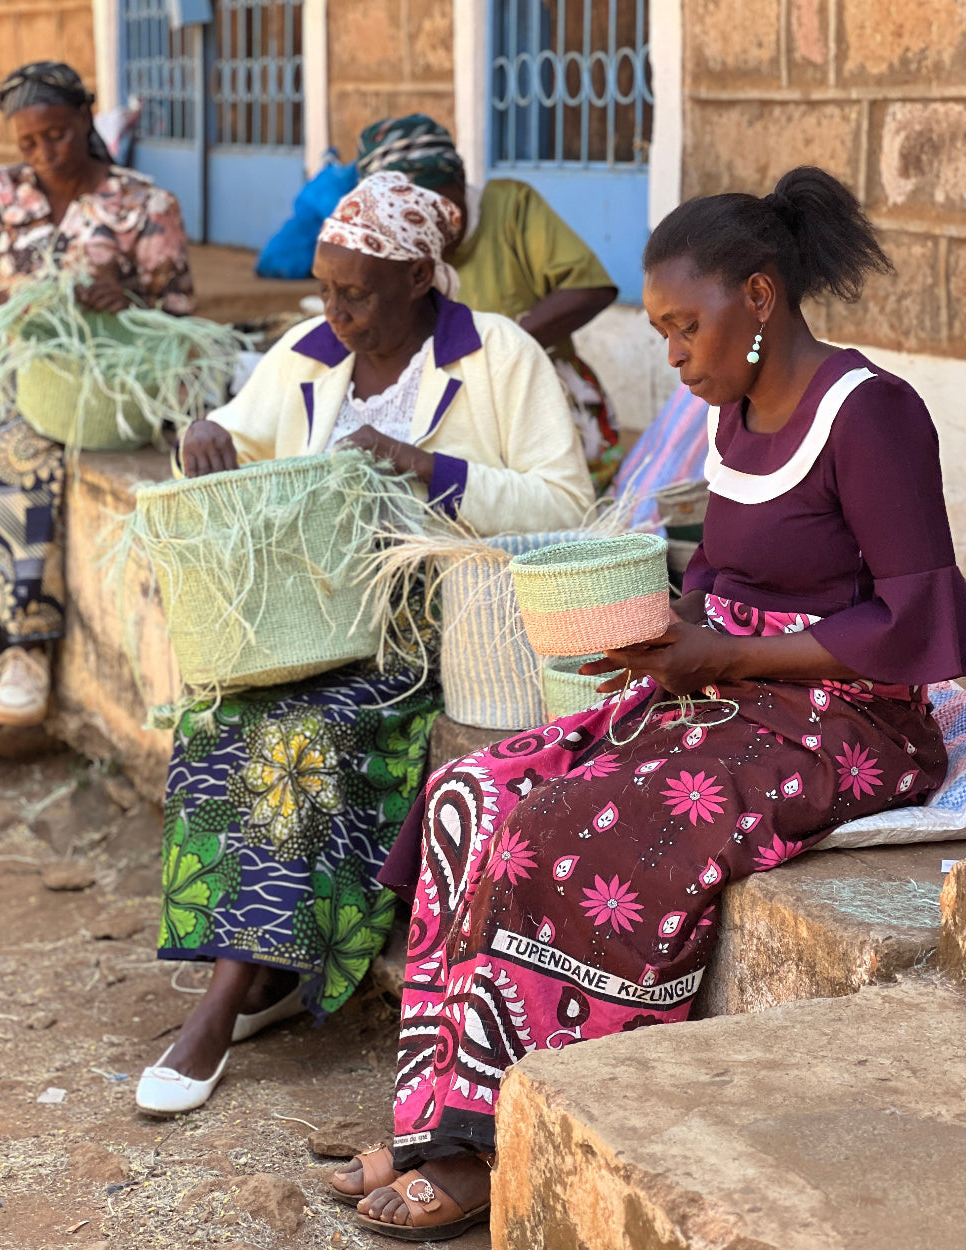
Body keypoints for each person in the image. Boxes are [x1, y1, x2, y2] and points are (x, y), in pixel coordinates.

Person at [330, 166, 966, 1240]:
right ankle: (442, 1107)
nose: (670, 352)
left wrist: (727, 653)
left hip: (847, 719)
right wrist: (663, 639)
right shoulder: (733, 415)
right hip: (733, 690)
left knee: (563, 824)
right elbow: (721, 569)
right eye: (661, 329)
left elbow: (918, 619)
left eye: (685, 326)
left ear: (758, 298)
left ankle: (495, 1134)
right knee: (473, 788)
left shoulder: (870, 413)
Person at [134, 170, 594, 1116]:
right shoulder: (307, 353)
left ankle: (222, 1003)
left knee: (306, 737)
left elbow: (568, 505)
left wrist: (438, 470)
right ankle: (262, 969)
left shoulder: (499, 354)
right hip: (312, 628)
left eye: (357, 293)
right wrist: (204, 436)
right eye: (327, 288)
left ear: (423, 277)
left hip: (437, 636)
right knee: (221, 716)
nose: (335, 311)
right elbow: (238, 444)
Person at [0, 61, 193, 732]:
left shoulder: (146, 205)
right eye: (28, 142)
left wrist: (123, 305)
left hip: (98, 384)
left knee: (11, 444)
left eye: (57, 135)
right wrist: (15, 313)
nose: (43, 154)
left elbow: (177, 320)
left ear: (87, 120)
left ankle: (24, 648)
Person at [357, 114, 621, 489]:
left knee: (555, 501)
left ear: (462, 181)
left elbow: (591, 288)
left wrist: (498, 350)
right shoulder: (389, 249)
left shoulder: (510, 208)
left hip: (542, 392)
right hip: (445, 408)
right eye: (418, 218)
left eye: (446, 207)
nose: (439, 225)